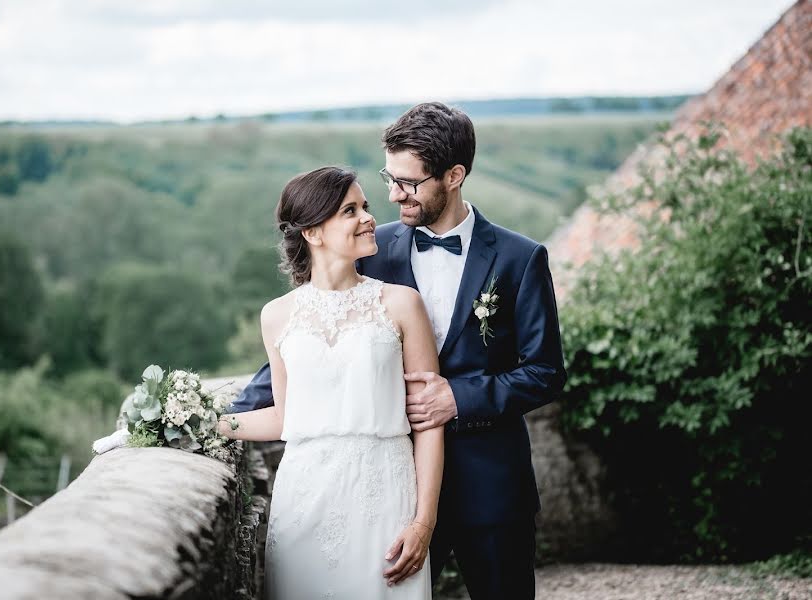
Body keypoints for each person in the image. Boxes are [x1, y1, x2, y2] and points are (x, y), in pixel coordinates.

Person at [234, 102, 567, 599]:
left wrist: (460, 396)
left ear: (454, 176)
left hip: (490, 485)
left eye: (408, 183)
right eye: (389, 178)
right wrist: (209, 416)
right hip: (386, 494)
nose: (392, 196)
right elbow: (313, 342)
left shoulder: (520, 259)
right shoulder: (373, 246)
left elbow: (545, 372)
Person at [218, 166, 444, 599]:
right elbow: (286, 417)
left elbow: (429, 422)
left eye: (366, 207)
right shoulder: (277, 315)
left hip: (386, 496)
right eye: (350, 210)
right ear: (313, 232)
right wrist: (203, 426)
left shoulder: (401, 304)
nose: (368, 218)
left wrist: (422, 523)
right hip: (303, 499)